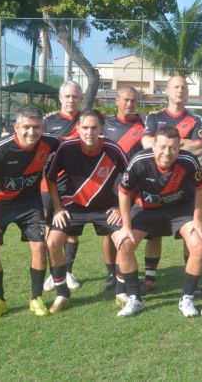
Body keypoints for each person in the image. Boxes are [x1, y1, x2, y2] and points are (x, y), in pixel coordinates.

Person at [111, 126, 202, 317]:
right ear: (153, 146)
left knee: (199, 244)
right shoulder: (139, 160)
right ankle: (135, 299)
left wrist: (197, 218)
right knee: (124, 243)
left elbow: (201, 187)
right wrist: (126, 227)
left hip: (180, 210)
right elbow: (124, 192)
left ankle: (187, 298)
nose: (167, 153)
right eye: (162, 147)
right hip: (146, 209)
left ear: (179, 147)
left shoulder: (188, 160)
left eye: (173, 148)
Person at [0, 107, 60, 319]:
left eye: (36, 127)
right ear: (16, 127)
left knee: (39, 246)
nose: (31, 132)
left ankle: (35, 298)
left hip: (30, 203)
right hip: (0, 203)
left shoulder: (50, 143)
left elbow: (71, 145)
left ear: (42, 127)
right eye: (26, 127)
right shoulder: (1, 149)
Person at [44, 110, 128, 313]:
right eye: (85, 128)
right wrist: (58, 208)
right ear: (78, 128)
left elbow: (130, 179)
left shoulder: (114, 149)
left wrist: (119, 207)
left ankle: (121, 291)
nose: (89, 132)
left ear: (101, 129)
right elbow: (51, 178)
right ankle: (62, 294)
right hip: (72, 207)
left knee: (124, 241)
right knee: (52, 242)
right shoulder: (66, 148)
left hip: (106, 208)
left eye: (94, 128)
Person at [139, 75, 202, 292]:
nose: (180, 90)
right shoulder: (154, 117)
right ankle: (150, 279)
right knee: (154, 235)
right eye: (175, 87)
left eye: (184, 87)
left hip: (186, 187)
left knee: (190, 235)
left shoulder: (196, 119)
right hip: (156, 185)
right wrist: (184, 144)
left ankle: (191, 283)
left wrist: (167, 145)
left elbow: (199, 148)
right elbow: (146, 143)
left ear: (187, 92)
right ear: (167, 91)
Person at [101, 86, 144, 291]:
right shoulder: (104, 123)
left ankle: (123, 274)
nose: (129, 104)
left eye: (133, 100)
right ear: (117, 100)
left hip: (134, 185)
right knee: (109, 232)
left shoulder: (144, 125)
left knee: (128, 232)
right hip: (108, 185)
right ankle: (111, 274)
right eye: (126, 100)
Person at [42, 80, 82, 292]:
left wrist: (142, 117)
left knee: (71, 229)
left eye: (75, 96)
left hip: (76, 184)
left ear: (80, 99)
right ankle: (54, 273)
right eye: (67, 96)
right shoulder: (48, 122)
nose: (71, 100)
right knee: (50, 229)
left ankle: (68, 271)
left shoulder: (87, 119)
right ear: (60, 98)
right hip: (50, 182)